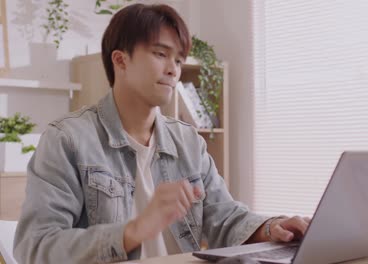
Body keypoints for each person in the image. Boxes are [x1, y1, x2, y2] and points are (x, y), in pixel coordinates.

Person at [13, 3, 310, 263]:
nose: (174, 70)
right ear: (120, 60)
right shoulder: (67, 139)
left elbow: (225, 218)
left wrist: (274, 227)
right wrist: (133, 231)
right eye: (160, 54)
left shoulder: (188, 141)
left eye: (179, 60)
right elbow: (35, 248)